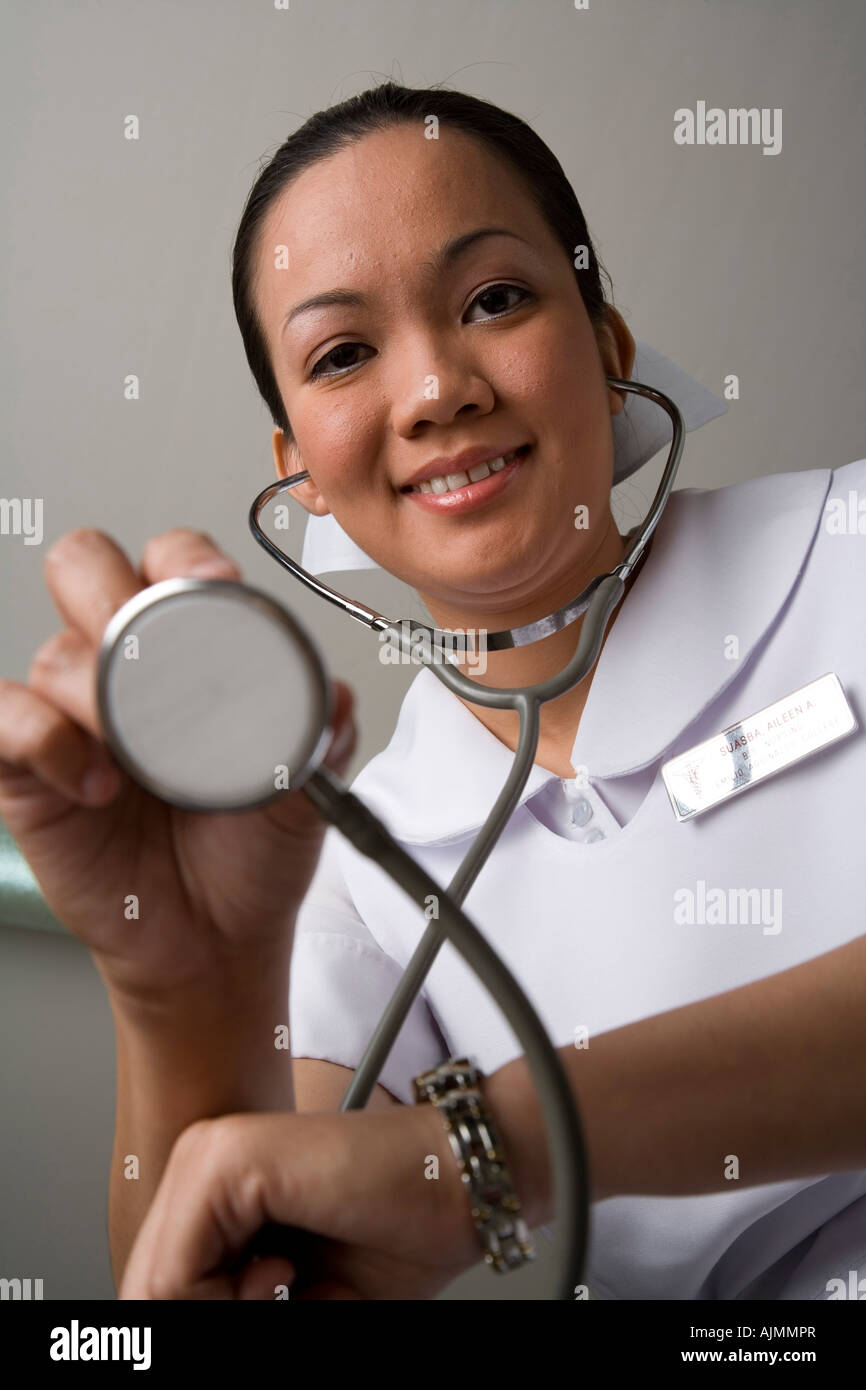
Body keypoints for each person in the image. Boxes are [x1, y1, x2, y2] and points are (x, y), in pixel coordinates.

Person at [1, 81, 864, 1302]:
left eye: (495, 298)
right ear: (296, 471)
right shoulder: (353, 856)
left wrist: (483, 1152)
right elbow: (241, 1275)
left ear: (607, 353)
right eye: (343, 353)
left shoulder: (850, 545)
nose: (434, 391)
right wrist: (180, 990)